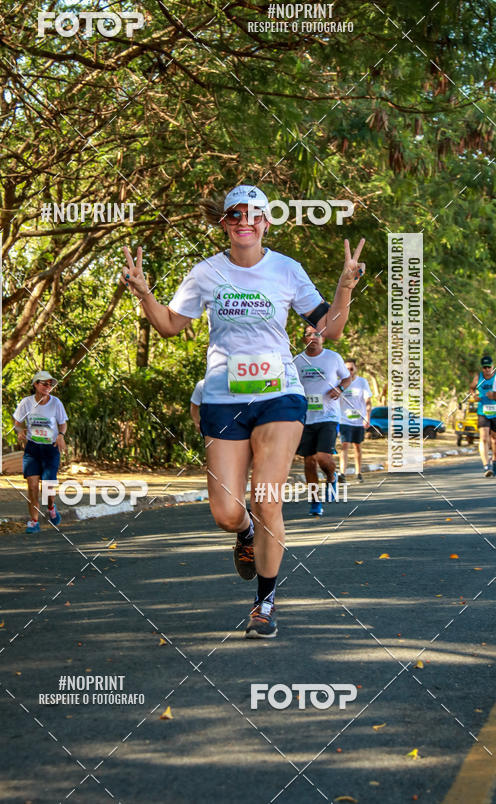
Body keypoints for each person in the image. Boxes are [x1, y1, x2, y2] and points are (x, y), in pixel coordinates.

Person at [122, 184, 365, 638]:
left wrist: (344, 287)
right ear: (225, 223)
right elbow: (171, 326)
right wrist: (143, 293)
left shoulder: (287, 270)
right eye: (235, 214)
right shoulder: (205, 273)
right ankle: (246, 532)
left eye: (255, 214)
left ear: (267, 222)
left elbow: (327, 328)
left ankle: (265, 604)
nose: (245, 221)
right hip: (222, 398)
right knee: (227, 514)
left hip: (280, 397)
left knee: (267, 497)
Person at [295, 328, 351, 515]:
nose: (313, 338)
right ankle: (315, 502)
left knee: (323, 458)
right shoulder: (297, 361)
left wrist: (340, 389)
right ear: (304, 339)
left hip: (328, 415)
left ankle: (331, 476)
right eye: (309, 335)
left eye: (317, 334)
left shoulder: (333, 357)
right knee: (309, 462)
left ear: (323, 338)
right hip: (305, 418)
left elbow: (347, 377)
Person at [13, 371, 68, 533]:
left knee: (48, 487)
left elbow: (63, 423)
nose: (48, 387)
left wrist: (61, 435)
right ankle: (34, 521)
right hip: (33, 449)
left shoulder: (56, 403)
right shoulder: (26, 403)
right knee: (32, 486)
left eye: (50, 384)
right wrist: (19, 431)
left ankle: (51, 507)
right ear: (36, 384)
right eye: (44, 383)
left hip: (51, 449)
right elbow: (17, 422)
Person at [338, 359, 372, 481]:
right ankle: (342, 474)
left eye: (351, 369)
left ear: (356, 369)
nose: (349, 372)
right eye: (347, 369)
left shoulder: (362, 382)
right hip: (344, 420)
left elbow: (368, 401)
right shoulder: (339, 383)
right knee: (344, 445)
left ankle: (358, 473)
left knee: (357, 446)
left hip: (359, 420)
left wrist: (367, 417)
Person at [470, 355, 496, 476]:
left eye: (489, 367)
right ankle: (486, 466)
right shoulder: (478, 377)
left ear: (493, 366)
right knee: (484, 438)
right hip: (483, 411)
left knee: (494, 440)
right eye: (484, 367)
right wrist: (474, 395)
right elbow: (471, 388)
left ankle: (494, 461)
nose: (487, 369)